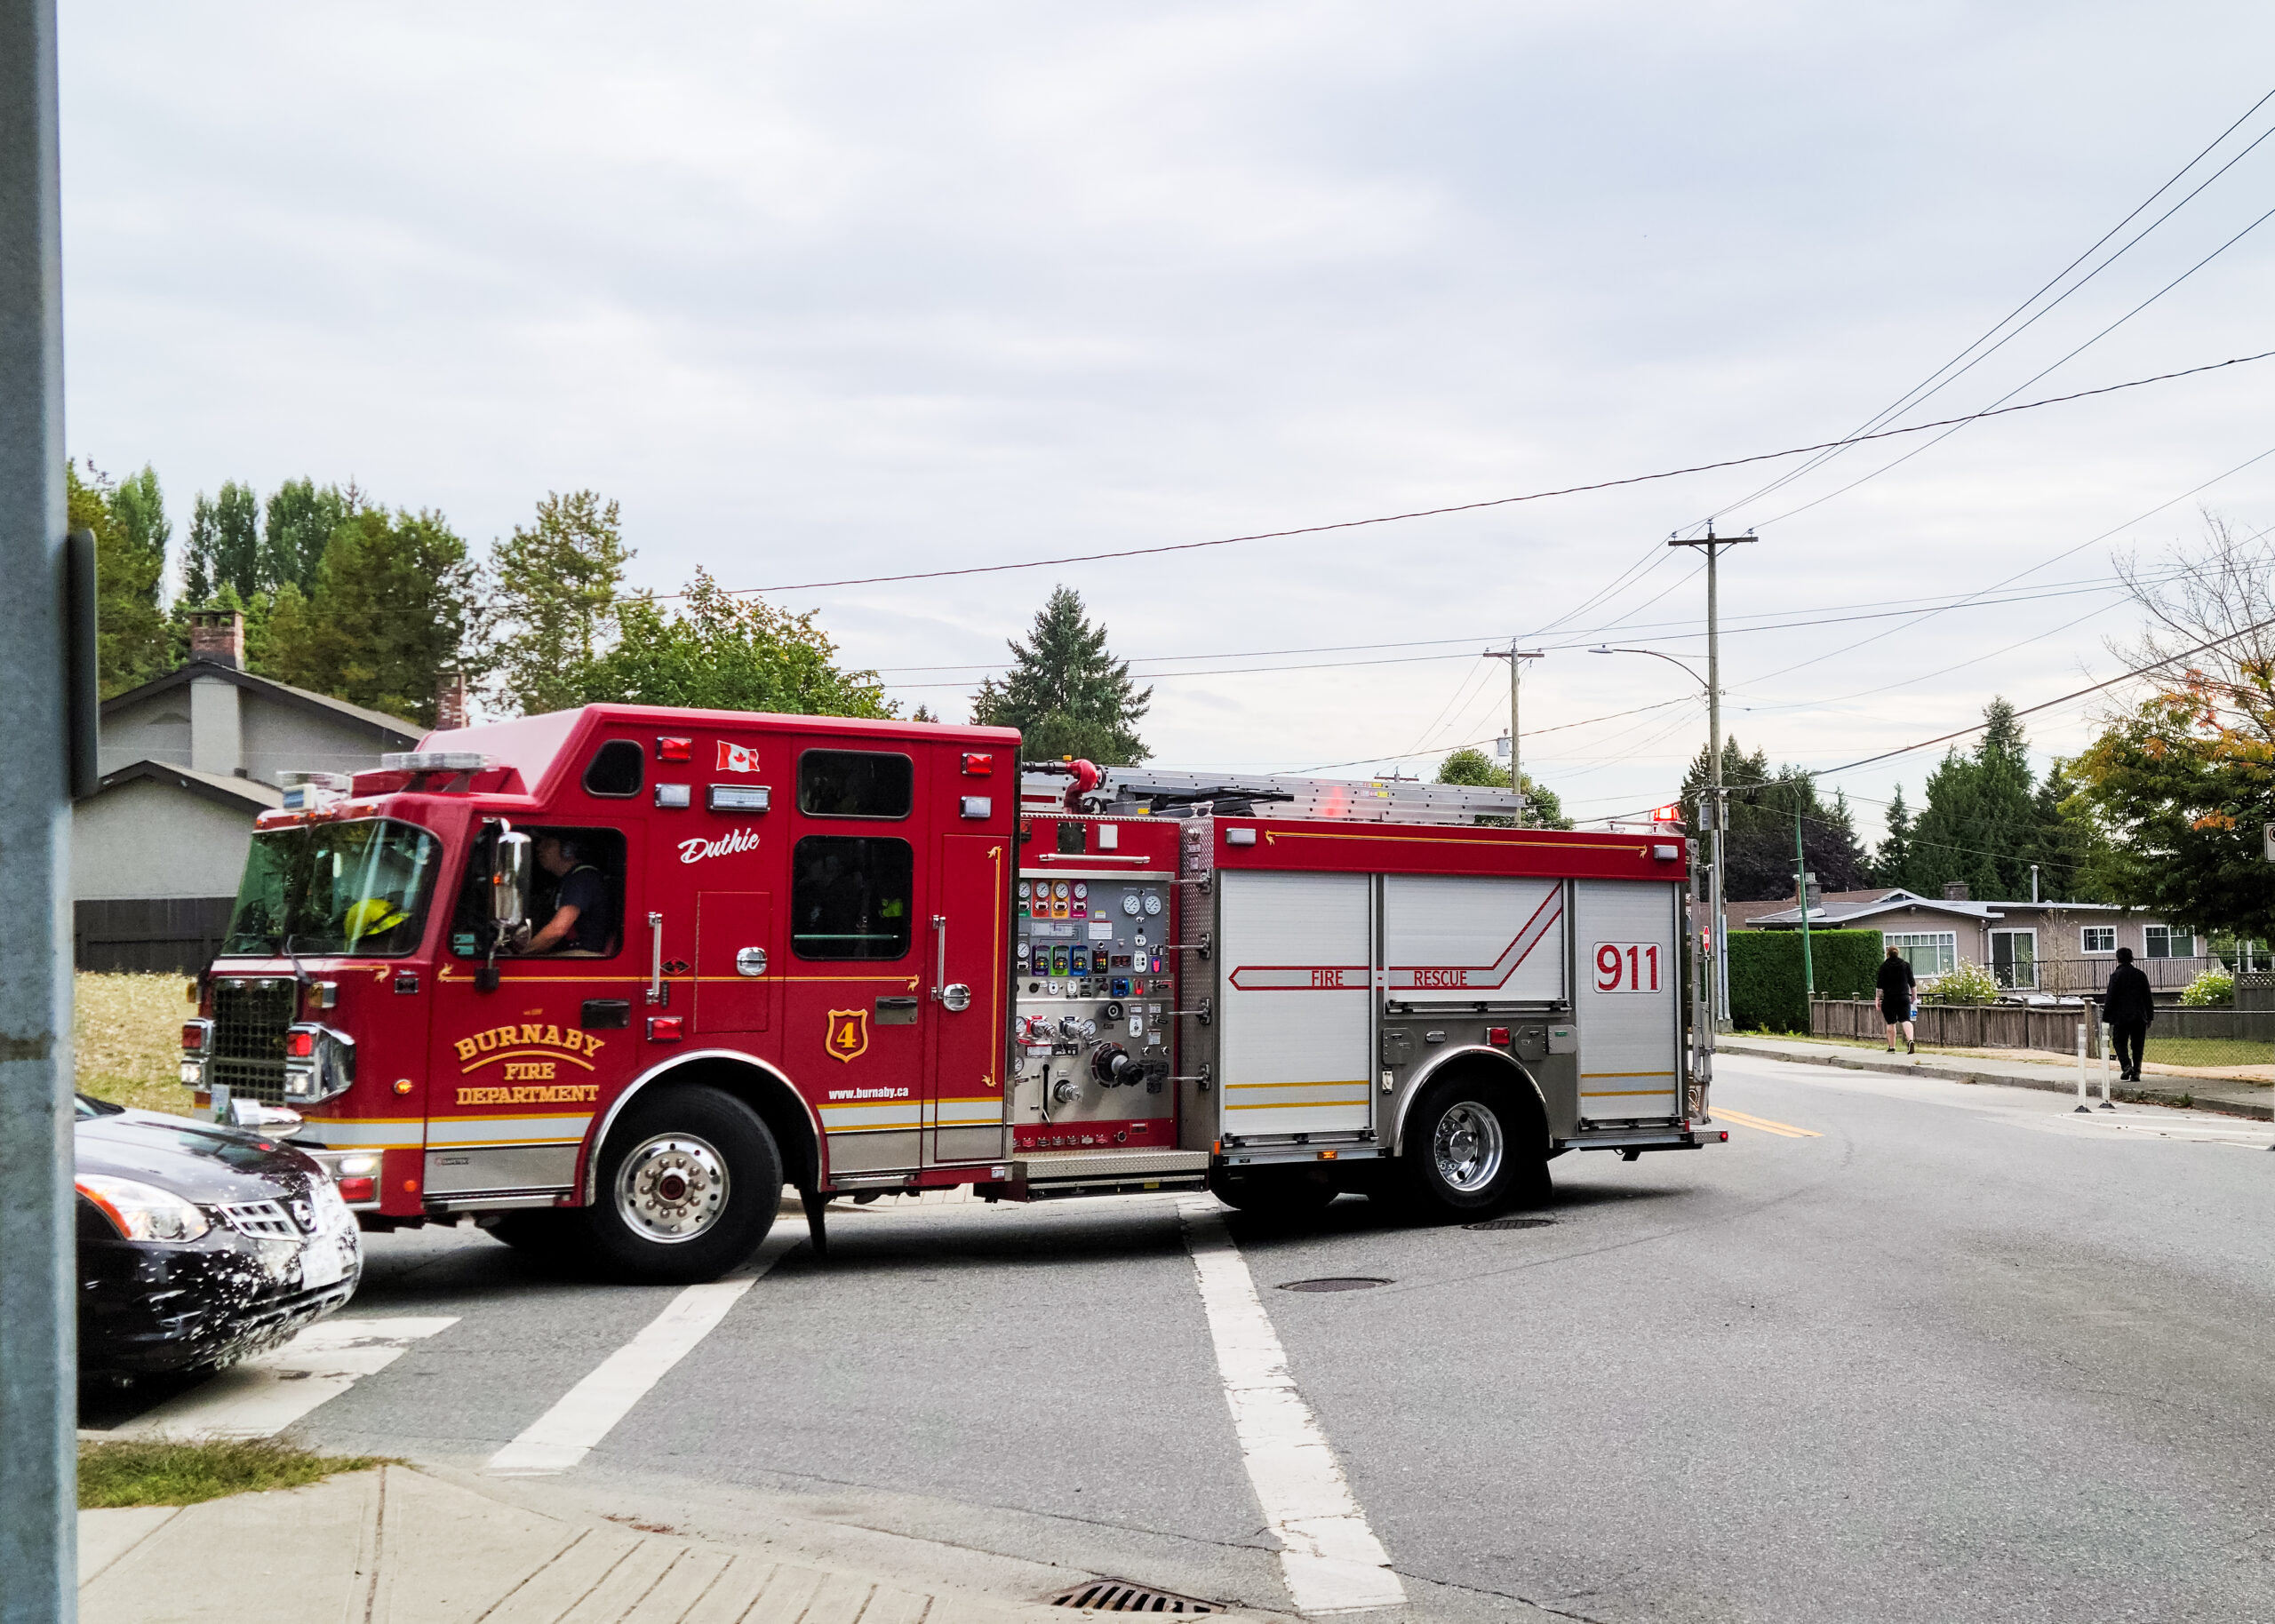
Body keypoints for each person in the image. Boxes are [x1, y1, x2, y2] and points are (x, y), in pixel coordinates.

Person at [517, 834, 615, 955]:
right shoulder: (565, 880)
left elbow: (557, 930)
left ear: (568, 850)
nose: (539, 849)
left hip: (582, 956)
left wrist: (522, 954)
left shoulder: (583, 878)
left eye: (547, 844)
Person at [2103, 944, 2154, 1081]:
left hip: (2121, 1018)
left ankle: (2126, 1065)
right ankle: (2137, 1071)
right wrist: (2149, 1016)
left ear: (2117, 959)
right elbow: (2147, 997)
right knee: (2138, 1045)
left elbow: (2110, 997)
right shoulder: (2140, 975)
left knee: (2119, 1042)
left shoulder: (2116, 976)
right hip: (2139, 1016)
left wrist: (2106, 1017)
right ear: (2132, 959)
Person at [1876, 943, 1918, 1054]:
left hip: (1889, 999)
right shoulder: (1905, 965)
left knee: (1891, 1022)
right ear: (1897, 953)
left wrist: (1877, 999)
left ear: (1888, 954)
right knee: (1905, 1019)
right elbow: (1912, 983)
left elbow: (1880, 986)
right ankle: (1910, 1040)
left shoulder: (1884, 966)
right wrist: (1914, 996)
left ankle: (1892, 1047)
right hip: (1903, 997)